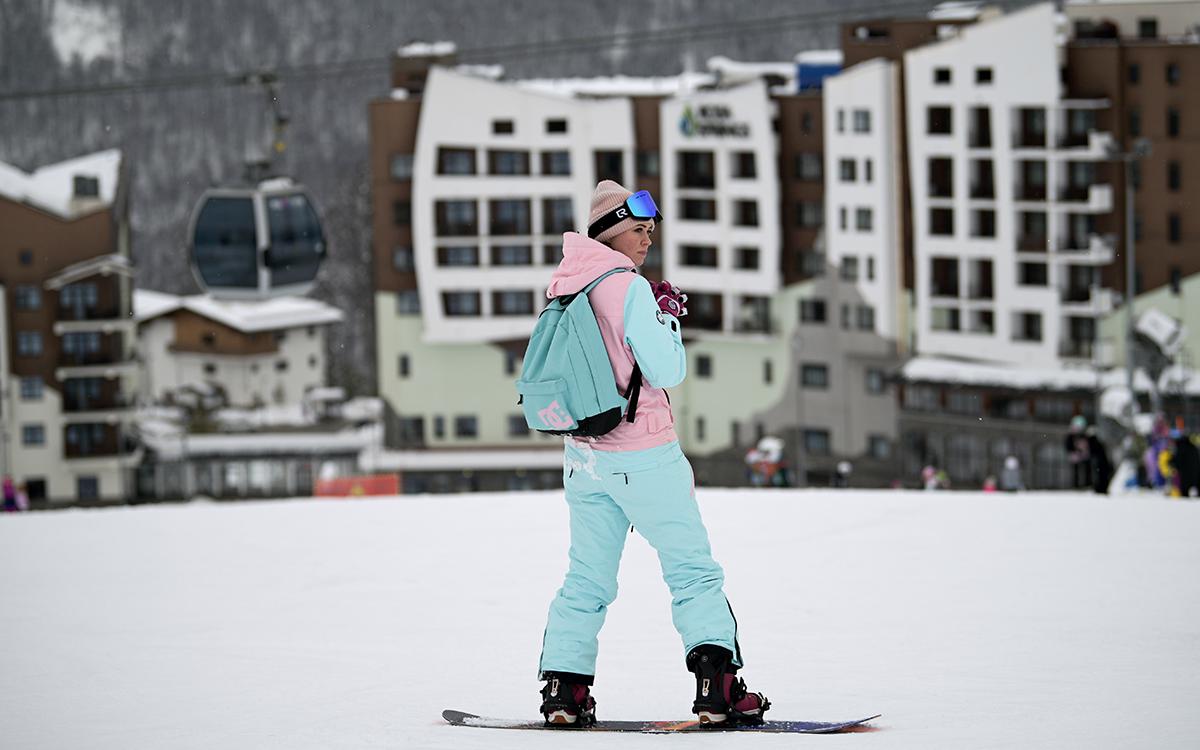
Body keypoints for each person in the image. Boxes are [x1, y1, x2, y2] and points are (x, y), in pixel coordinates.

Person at [536, 181, 768, 728]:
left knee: (586, 578)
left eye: (650, 231)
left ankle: (564, 691)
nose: (646, 240)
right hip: (643, 454)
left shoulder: (565, 284)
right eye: (638, 230)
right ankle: (718, 688)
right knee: (692, 572)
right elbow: (667, 370)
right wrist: (667, 318)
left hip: (584, 457)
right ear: (610, 232)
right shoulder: (628, 287)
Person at [1085, 427, 1112, 495]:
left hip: (1099, 464)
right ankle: (1102, 488)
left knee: (1100, 476)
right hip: (1102, 463)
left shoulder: (1093, 442)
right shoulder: (1097, 442)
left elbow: (1093, 453)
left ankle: (1100, 489)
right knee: (1102, 476)